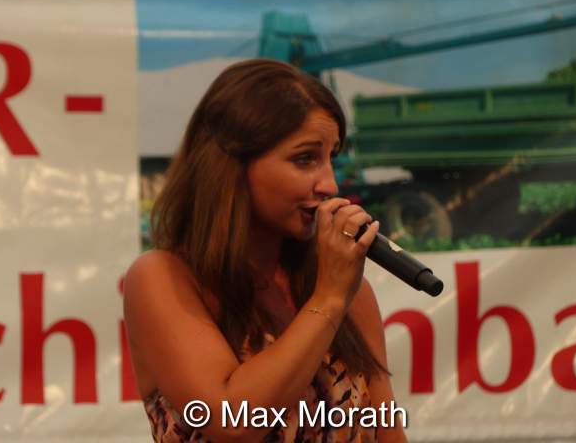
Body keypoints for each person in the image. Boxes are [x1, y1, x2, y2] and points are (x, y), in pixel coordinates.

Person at [124, 58, 408, 443]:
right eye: (305, 158)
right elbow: (232, 423)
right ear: (233, 166)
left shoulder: (348, 294)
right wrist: (328, 298)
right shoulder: (162, 276)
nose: (329, 184)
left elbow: (388, 432)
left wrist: (334, 293)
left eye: (332, 158)